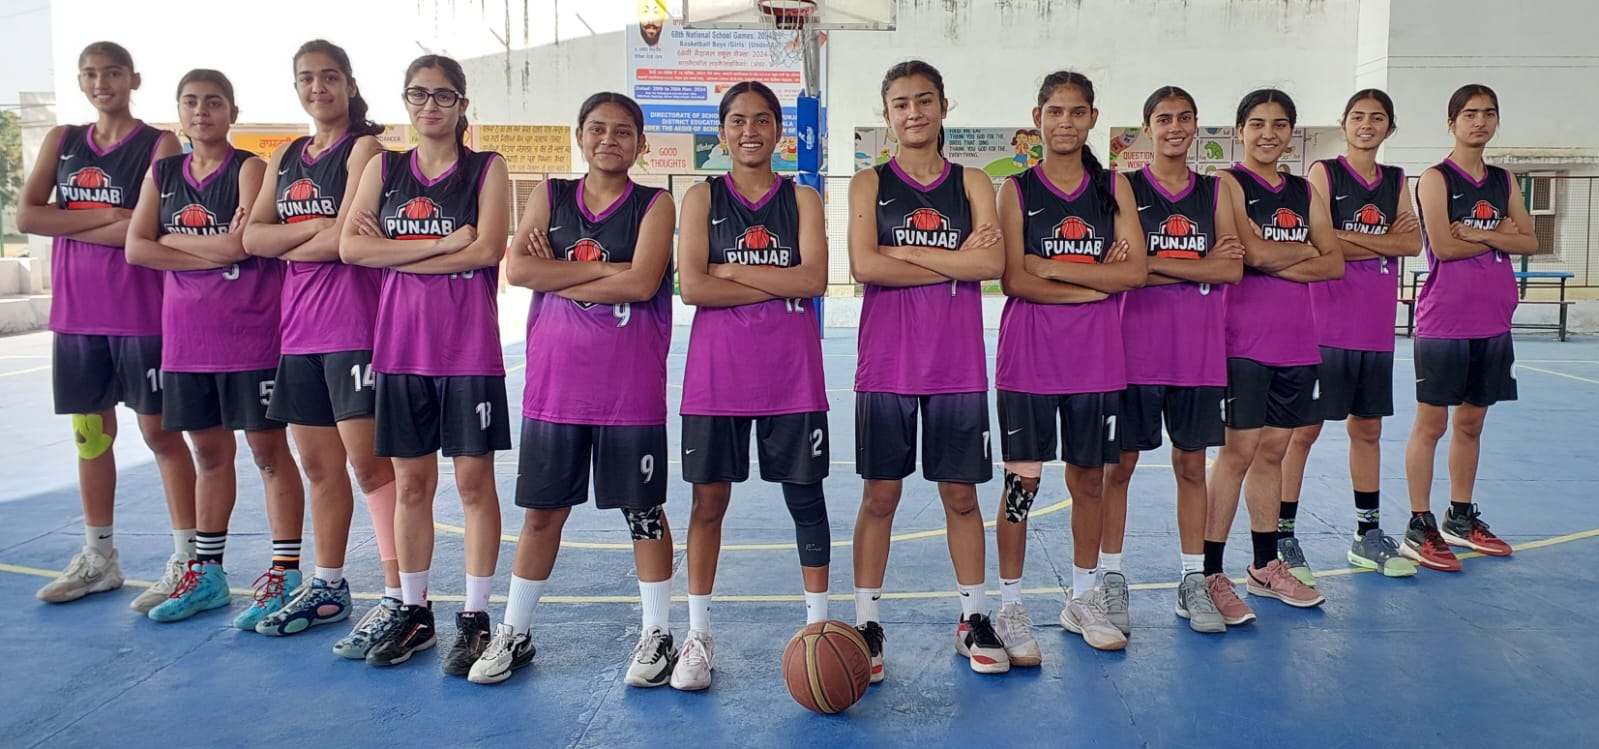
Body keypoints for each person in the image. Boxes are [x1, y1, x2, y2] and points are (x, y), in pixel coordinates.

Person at [469, 92, 678, 688]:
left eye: (622, 131)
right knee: (542, 515)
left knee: (643, 513)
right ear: (580, 136)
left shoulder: (656, 204)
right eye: (597, 129)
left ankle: (657, 633)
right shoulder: (551, 194)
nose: (609, 139)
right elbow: (519, 270)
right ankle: (515, 631)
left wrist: (561, 272)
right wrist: (608, 270)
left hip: (628, 390)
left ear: (640, 143)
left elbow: (642, 283)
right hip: (555, 388)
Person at [338, 55, 510, 672]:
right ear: (405, 100)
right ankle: (415, 612)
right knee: (411, 485)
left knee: (472, 485)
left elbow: (487, 250)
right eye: (418, 94)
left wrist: (394, 250)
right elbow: (351, 248)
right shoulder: (384, 168)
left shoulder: (487, 168)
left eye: (442, 95)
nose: (429, 105)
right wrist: (442, 244)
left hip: (468, 352)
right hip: (400, 349)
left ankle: (476, 617)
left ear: (462, 104)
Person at [848, 60, 1008, 679]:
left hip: (955, 365)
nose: (913, 112)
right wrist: (949, 258)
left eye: (924, 100)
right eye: (900, 103)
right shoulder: (869, 184)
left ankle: (973, 617)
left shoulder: (972, 182)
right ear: (887, 114)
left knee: (961, 497)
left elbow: (989, 264)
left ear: (944, 106)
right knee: (880, 496)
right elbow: (865, 265)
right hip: (887, 365)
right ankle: (867, 624)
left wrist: (901, 252)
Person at [125, 69, 304, 624]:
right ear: (178, 112)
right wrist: (212, 247)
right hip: (187, 340)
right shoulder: (163, 173)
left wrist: (174, 240)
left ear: (232, 112)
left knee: (268, 453)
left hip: (250, 336)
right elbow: (137, 248)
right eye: (191, 102)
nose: (201, 111)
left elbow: (243, 244)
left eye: (213, 102)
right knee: (207, 454)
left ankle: (284, 573)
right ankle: (207, 573)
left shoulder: (249, 168)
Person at [21, 42, 195, 611]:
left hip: (141, 315)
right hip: (77, 318)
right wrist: (109, 216)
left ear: (133, 78)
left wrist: (72, 221)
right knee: (91, 437)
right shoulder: (63, 140)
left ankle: (188, 561)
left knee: (160, 435)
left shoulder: (158, 144)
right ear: (80, 81)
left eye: (113, 72)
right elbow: (28, 215)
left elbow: (150, 228)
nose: (102, 82)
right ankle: (99, 558)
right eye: (91, 73)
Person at [670, 81, 831, 690]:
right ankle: (698, 635)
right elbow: (693, 287)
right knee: (708, 502)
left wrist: (732, 269)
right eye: (737, 120)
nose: (750, 131)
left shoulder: (803, 198)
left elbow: (813, 280)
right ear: (722, 131)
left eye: (762, 120)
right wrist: (773, 279)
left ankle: (817, 626)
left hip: (792, 376)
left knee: (805, 500)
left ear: (779, 131)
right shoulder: (700, 197)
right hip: (716, 377)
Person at [240, 40, 401, 647]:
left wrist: (291, 238)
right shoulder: (285, 156)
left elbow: (346, 242)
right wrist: (316, 230)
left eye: (329, 76)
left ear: (350, 84)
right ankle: (329, 586)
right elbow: (252, 239)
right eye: (306, 78)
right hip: (299, 331)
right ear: (296, 87)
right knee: (317, 466)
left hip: (354, 328)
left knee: (369, 467)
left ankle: (398, 594)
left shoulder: (364, 150)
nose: (318, 87)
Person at [995, 71, 1145, 654]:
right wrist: (1096, 282)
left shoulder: (1114, 187)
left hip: (1096, 360)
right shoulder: (1015, 191)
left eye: (1077, 112)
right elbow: (1014, 279)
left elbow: (1134, 273)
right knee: (1022, 484)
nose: (1065, 122)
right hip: (1029, 359)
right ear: (1037, 118)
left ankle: (1082, 598)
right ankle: (1010, 605)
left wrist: (1053, 268)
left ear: (1092, 118)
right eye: (1054, 112)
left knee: (1088, 480)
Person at [1101, 86, 1244, 635]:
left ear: (1196, 125)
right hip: (1134, 352)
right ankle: (1111, 577)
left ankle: (1192, 580)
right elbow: (1125, 271)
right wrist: (1195, 265)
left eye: (1185, 118)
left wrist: (1153, 263)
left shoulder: (1216, 191)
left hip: (1197, 354)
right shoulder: (1125, 187)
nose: (1175, 127)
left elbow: (1230, 269)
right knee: (1120, 468)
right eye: (1164, 119)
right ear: (1147, 128)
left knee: (1191, 467)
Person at [1206, 89, 1341, 618]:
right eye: (1258, 123)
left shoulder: (1305, 190)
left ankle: (1265, 565)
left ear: (1291, 132)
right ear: (1240, 130)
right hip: (1242, 341)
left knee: (1273, 453)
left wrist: (1278, 255)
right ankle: (1210, 572)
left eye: (1279, 124)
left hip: (1296, 342)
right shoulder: (1227, 184)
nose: (1269, 134)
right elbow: (1251, 255)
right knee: (1237, 453)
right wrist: (1301, 250)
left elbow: (1333, 263)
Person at [1279, 90, 1422, 580]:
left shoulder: (1397, 180)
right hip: (1326, 323)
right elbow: (1318, 241)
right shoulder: (1324, 173)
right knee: (1304, 431)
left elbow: (1411, 243)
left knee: (1368, 430)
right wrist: (1382, 243)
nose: (1366, 125)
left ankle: (1367, 534)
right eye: (1358, 117)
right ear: (1344, 124)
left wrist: (1349, 240)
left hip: (1375, 327)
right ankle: (1282, 536)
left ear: (1389, 127)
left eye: (1377, 118)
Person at [1402, 84, 1538, 570]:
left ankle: (1459, 516)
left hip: (1492, 321)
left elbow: (1530, 241)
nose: (1480, 121)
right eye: (1470, 114)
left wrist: (1480, 232)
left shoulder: (1503, 180)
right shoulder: (1436, 179)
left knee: (1472, 422)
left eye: (1489, 113)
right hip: (1445, 320)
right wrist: (1501, 235)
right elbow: (1444, 245)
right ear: (1452, 122)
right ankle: (1419, 524)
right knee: (1432, 423)